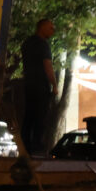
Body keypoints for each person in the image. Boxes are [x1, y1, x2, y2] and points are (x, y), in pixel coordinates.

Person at [20, 18, 57, 156]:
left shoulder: (26, 43)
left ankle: (25, 147)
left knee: (29, 116)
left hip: (28, 85)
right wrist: (54, 85)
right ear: (42, 27)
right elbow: (48, 66)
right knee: (40, 117)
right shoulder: (43, 45)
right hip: (41, 86)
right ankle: (37, 148)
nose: (53, 30)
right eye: (50, 27)